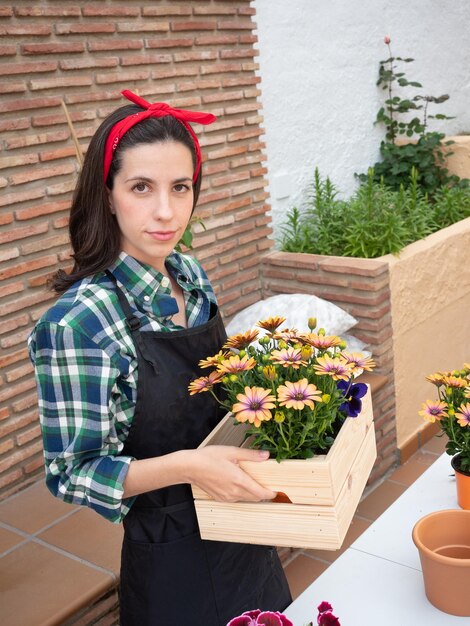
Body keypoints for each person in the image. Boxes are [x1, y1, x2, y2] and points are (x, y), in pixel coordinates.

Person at [28, 90, 292, 626]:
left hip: (244, 529)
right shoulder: (78, 324)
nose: (167, 212)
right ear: (107, 195)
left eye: (181, 187)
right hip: (171, 558)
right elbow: (72, 472)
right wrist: (190, 467)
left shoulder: (189, 276)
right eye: (141, 188)